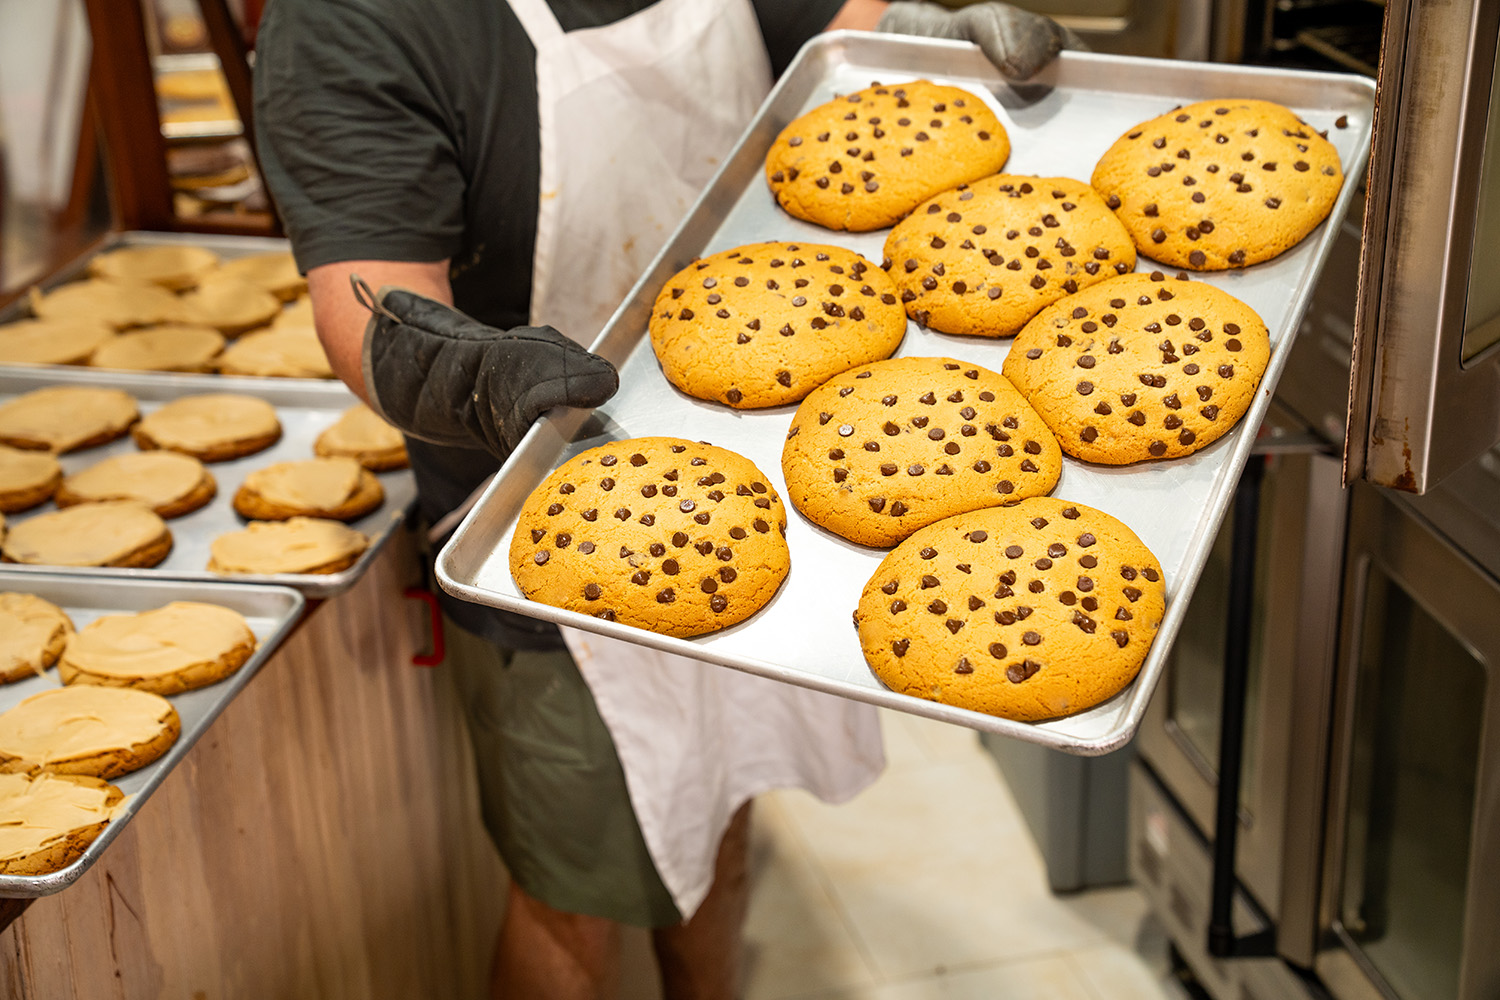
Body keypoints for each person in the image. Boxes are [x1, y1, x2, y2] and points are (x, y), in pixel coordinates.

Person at [253, 2, 1074, 996]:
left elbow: (828, 18)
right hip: (555, 517)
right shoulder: (353, 20)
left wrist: (906, 35)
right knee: (575, 894)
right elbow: (363, 294)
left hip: (756, 459)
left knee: (718, 818)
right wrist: (471, 374)